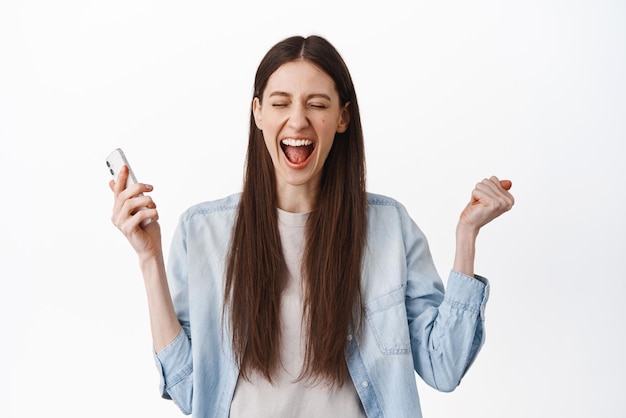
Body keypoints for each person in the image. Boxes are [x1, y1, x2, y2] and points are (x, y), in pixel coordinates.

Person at [110, 35, 514, 418]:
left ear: (342, 117)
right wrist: (149, 260)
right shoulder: (202, 232)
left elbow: (444, 367)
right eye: (281, 103)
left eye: (317, 104)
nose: (298, 120)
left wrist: (466, 236)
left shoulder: (389, 229)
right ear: (258, 114)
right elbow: (188, 388)